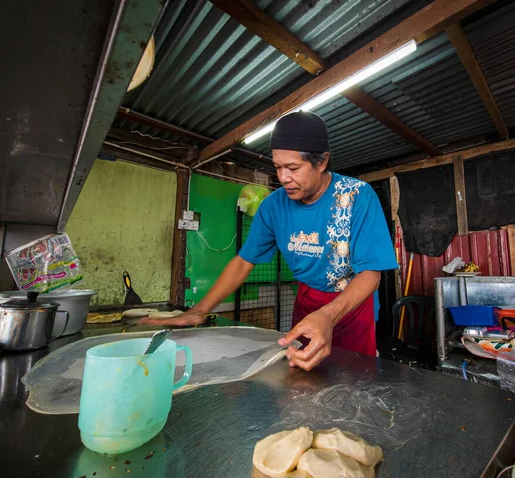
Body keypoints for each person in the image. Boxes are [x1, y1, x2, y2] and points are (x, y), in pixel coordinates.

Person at [142, 111, 397, 370]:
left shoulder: (357, 197)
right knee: (305, 379)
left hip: (350, 308)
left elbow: (370, 274)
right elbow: (244, 261)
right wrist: (200, 309)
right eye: (278, 167)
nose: (283, 178)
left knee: (354, 383)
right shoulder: (273, 206)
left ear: (321, 163)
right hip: (308, 306)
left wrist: (328, 317)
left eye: (293, 168)